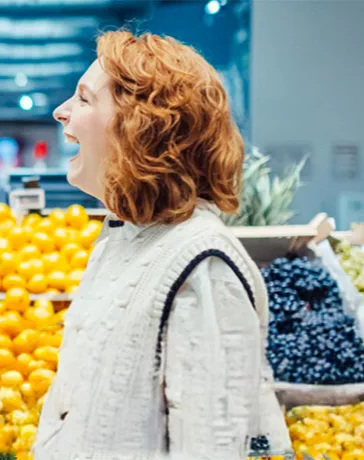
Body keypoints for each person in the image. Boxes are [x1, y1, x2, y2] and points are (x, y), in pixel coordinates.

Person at [34, 30, 291, 459]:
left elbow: (212, 447)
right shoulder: (125, 238)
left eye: (84, 99)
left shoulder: (202, 266)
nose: (61, 112)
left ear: (141, 127)